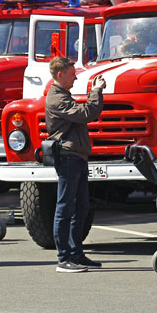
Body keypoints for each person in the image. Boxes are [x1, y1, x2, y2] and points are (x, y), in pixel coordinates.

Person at [45, 57, 105, 272]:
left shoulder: (63, 96)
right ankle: (64, 258)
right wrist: (96, 91)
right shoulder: (56, 99)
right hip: (68, 156)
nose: (76, 76)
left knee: (81, 207)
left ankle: (76, 253)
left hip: (76, 156)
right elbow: (86, 113)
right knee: (65, 207)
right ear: (60, 75)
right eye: (72, 73)